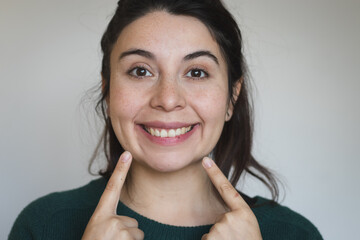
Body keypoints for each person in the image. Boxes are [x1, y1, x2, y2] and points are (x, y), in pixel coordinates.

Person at [9, 0, 323, 239]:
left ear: (232, 97)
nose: (168, 99)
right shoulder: (43, 225)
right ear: (107, 90)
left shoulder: (294, 233)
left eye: (197, 72)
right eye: (140, 71)